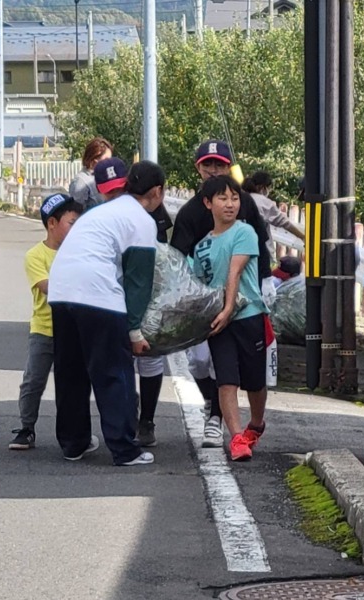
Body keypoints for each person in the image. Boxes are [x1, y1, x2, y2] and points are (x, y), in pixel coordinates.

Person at [47, 161, 166, 466]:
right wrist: (134, 331)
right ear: (157, 192)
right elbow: (138, 283)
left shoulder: (98, 212)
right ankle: (124, 449)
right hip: (98, 295)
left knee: (71, 370)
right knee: (114, 372)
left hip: (60, 290)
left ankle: (73, 444)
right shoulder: (141, 220)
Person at [170, 140, 273, 449]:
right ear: (198, 168)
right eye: (207, 165)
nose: (213, 170)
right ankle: (225, 425)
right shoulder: (190, 213)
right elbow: (181, 260)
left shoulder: (245, 212)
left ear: (230, 167)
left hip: (247, 308)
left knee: (253, 378)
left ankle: (248, 422)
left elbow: (248, 258)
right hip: (207, 306)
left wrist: (266, 281)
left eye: (220, 165)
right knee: (204, 365)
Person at [193, 175, 269, 461]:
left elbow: (234, 271)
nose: (230, 204)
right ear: (207, 203)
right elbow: (197, 285)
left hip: (248, 315)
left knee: (254, 381)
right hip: (218, 323)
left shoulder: (245, 232)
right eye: (223, 198)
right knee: (226, 380)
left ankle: (256, 424)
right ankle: (237, 438)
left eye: (234, 198)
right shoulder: (200, 247)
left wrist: (227, 309)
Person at [94, 156, 166, 448]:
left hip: (147, 291)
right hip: (114, 292)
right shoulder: (105, 214)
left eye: (117, 189)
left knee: (149, 357)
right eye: (107, 190)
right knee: (120, 360)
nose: (112, 195)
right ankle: (125, 422)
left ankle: (145, 420)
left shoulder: (157, 215)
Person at [8, 193, 83, 450]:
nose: (76, 229)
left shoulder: (80, 252)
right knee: (34, 380)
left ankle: (76, 432)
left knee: (74, 383)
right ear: (52, 223)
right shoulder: (35, 256)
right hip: (44, 329)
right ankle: (26, 427)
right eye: (71, 223)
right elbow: (46, 286)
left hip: (74, 329)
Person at [242, 171, 305, 260]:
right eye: (269, 188)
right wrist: (302, 236)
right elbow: (284, 223)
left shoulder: (241, 198)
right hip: (261, 251)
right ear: (263, 187)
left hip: (241, 250)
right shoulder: (264, 202)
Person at [69, 137, 113, 210]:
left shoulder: (105, 177)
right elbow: (76, 213)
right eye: (106, 160)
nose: (110, 163)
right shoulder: (81, 183)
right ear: (94, 159)